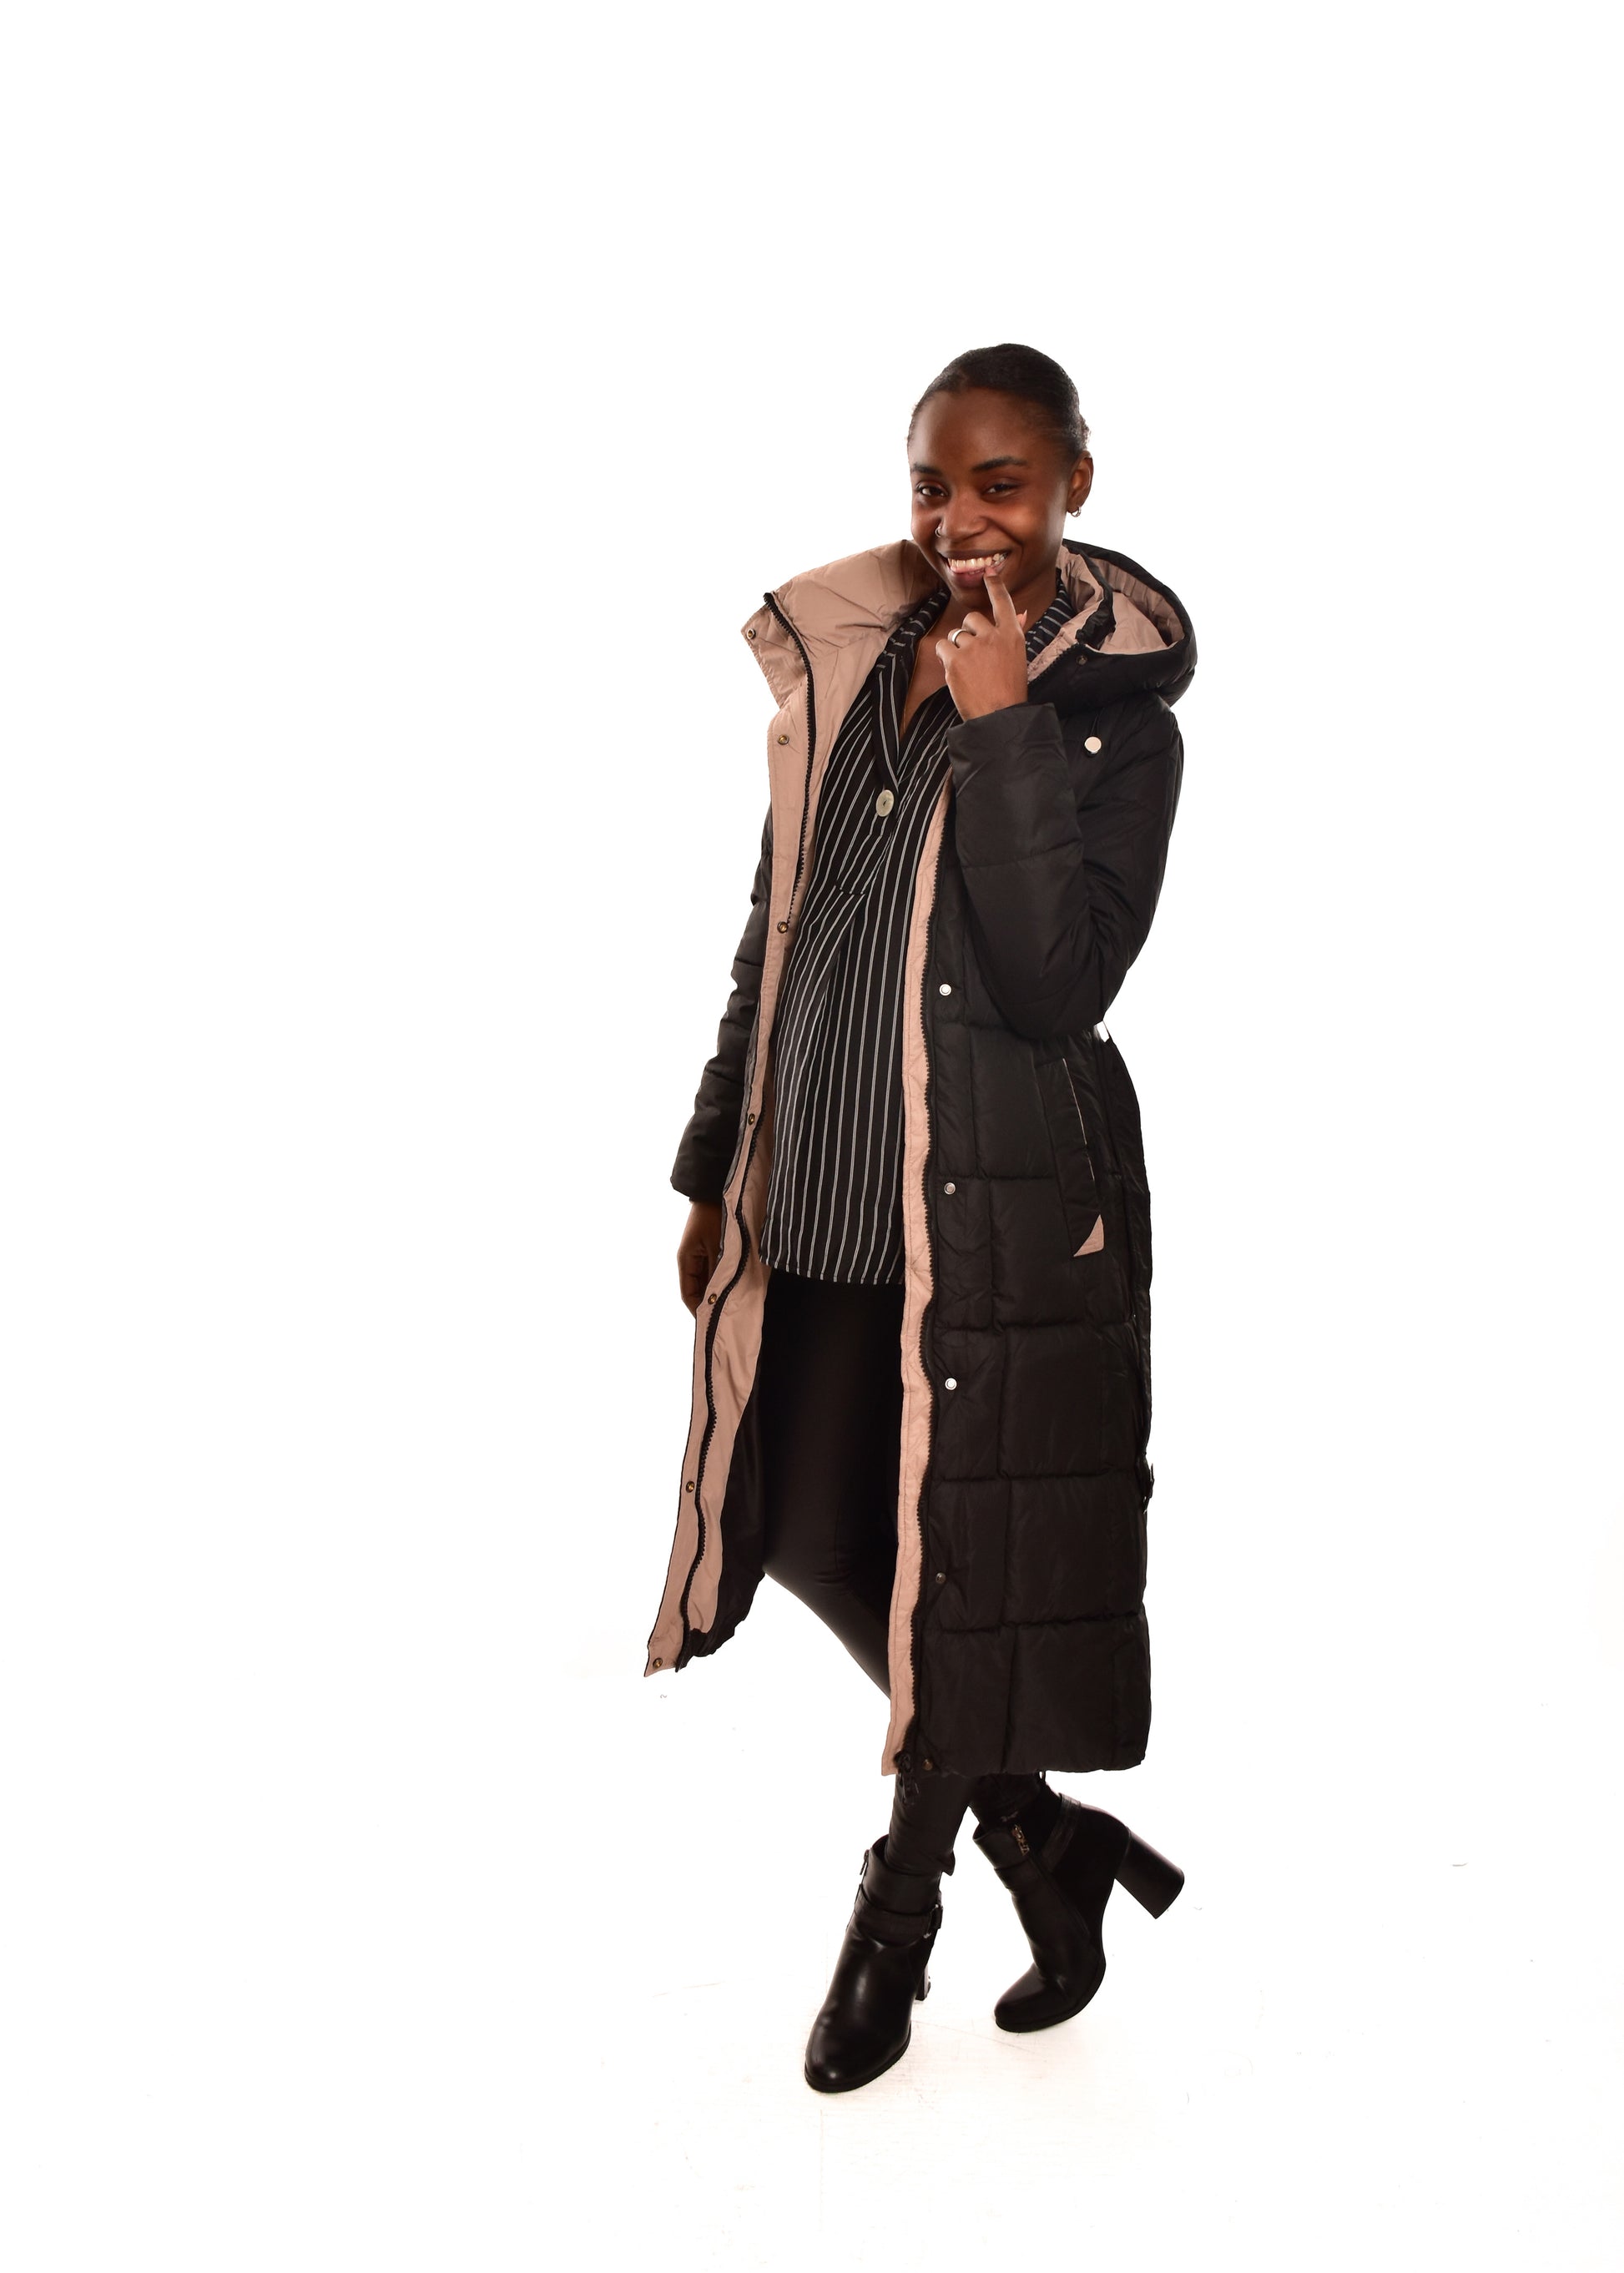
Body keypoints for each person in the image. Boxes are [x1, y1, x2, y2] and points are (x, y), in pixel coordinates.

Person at [646, 343, 1197, 2094]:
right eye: (932, 485)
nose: (961, 519)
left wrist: (1005, 720)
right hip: (813, 1186)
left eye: (1001, 485)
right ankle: (1041, 1836)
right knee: (811, 1530)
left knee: (953, 1565)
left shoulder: (1116, 728)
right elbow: (779, 930)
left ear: (1073, 487)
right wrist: (711, 1159)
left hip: (992, 1208)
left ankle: (898, 1912)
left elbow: (1056, 984)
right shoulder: (858, 666)